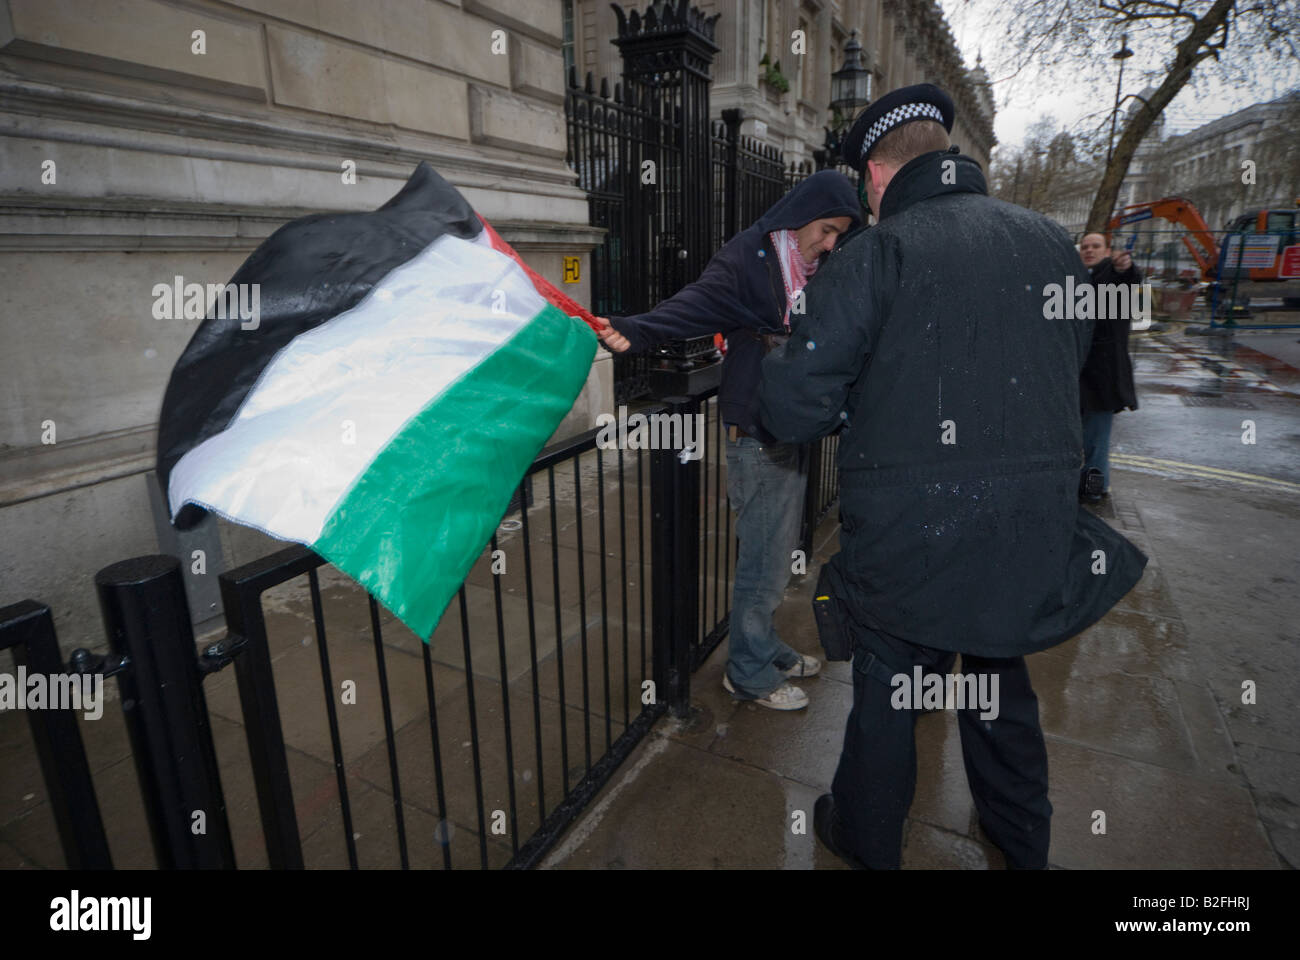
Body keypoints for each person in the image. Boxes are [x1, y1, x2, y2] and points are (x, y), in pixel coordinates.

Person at [757, 84, 1148, 868]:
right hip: (1027, 523)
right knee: (1000, 681)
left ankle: (867, 839)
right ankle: (1020, 840)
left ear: (875, 175)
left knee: (890, 693)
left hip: (912, 539)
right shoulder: (1049, 243)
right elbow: (1058, 372)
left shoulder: (877, 253)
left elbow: (794, 410)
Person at [595, 173, 862, 711]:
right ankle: (747, 672)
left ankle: (764, 647)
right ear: (803, 214)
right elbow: (699, 301)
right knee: (763, 562)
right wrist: (637, 328)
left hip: (793, 425)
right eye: (828, 230)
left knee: (778, 552)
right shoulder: (750, 256)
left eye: (839, 235)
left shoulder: (814, 267)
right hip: (758, 431)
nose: (831, 243)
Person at [1078, 232, 1141, 502]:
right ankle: (1091, 487)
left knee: (1096, 441)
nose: (1089, 250)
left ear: (1108, 251)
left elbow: (1126, 278)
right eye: (1085, 246)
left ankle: (1095, 490)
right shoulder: (1084, 277)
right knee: (1089, 439)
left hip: (1102, 377)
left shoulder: (1109, 274)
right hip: (1085, 376)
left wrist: (1124, 267)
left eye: (1096, 246)